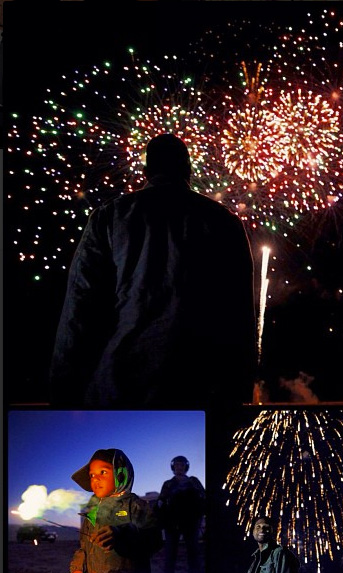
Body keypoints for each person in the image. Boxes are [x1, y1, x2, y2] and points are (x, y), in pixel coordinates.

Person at [50, 133, 257, 409]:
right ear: (188, 171)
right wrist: (239, 389)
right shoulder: (224, 222)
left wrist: (63, 388)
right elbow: (240, 314)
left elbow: (80, 307)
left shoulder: (110, 217)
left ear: (146, 172)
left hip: (120, 385)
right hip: (201, 386)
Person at [69, 448, 162, 573]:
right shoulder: (92, 512)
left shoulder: (136, 506)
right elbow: (83, 548)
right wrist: (77, 571)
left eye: (103, 472)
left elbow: (154, 539)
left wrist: (123, 533)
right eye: (92, 475)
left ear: (121, 474)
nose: (95, 479)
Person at [157, 455, 206, 573]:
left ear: (185, 466)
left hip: (191, 523)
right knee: (170, 556)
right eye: (177, 465)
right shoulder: (167, 484)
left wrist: (200, 517)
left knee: (194, 556)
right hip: (172, 524)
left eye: (182, 465)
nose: (179, 467)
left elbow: (203, 498)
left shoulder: (193, 481)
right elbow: (161, 501)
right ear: (173, 467)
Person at [236, 516, 300, 573]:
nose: (262, 529)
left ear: (272, 531)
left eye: (266, 527)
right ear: (253, 531)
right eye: (258, 526)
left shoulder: (280, 554)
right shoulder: (256, 559)